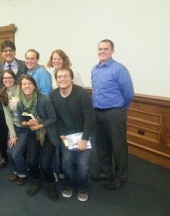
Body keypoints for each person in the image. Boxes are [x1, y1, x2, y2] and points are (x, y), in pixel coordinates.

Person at [91, 39, 134, 190]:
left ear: (112, 51)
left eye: (106, 49)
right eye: (100, 49)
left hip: (114, 112)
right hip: (97, 112)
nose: (102, 51)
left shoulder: (119, 69)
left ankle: (120, 177)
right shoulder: (94, 69)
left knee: (118, 146)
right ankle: (105, 172)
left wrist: (122, 108)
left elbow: (128, 92)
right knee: (102, 145)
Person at [50, 67, 95, 202]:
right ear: (56, 80)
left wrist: (84, 139)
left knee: (83, 165)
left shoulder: (82, 94)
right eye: (59, 76)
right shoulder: (53, 95)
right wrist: (62, 134)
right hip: (67, 135)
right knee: (66, 162)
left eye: (66, 76)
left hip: (84, 133)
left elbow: (90, 118)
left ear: (72, 78)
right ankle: (68, 185)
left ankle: (82, 187)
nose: (63, 79)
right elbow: (56, 118)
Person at [17, 75, 59, 201]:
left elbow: (53, 118)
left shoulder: (44, 100)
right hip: (33, 134)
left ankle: (51, 186)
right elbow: (21, 122)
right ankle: (37, 182)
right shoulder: (20, 103)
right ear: (21, 87)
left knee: (45, 164)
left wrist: (39, 125)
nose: (27, 86)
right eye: (24, 84)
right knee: (32, 162)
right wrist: (27, 124)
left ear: (34, 86)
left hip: (48, 133)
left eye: (29, 84)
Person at [0, 40, 27, 168]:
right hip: (3, 104)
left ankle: (21, 156)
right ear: (2, 53)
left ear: (14, 51)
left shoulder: (23, 65)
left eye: (11, 50)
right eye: (5, 51)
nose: (8, 53)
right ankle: (4, 156)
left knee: (21, 129)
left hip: (21, 106)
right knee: (3, 132)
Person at [0, 69, 28, 186]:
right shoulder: (3, 93)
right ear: (2, 80)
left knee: (16, 153)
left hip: (26, 127)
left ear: (14, 78)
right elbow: (7, 116)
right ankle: (17, 171)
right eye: (5, 78)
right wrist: (12, 134)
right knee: (10, 152)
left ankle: (23, 174)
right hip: (15, 126)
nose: (7, 80)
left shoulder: (21, 89)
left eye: (10, 78)